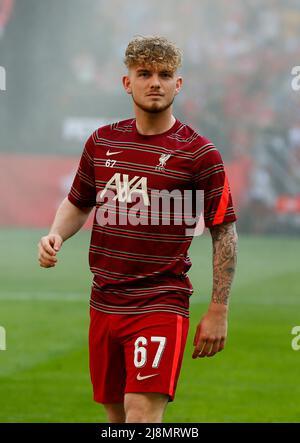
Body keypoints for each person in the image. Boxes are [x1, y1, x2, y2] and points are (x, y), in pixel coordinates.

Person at [38, 35, 238, 423]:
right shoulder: (101, 141)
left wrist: (219, 308)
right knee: (116, 418)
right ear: (126, 82)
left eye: (165, 75)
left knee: (141, 414)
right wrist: (56, 234)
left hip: (160, 300)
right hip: (104, 301)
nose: (155, 83)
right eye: (144, 73)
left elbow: (224, 232)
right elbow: (78, 202)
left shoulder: (200, 154)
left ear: (178, 84)